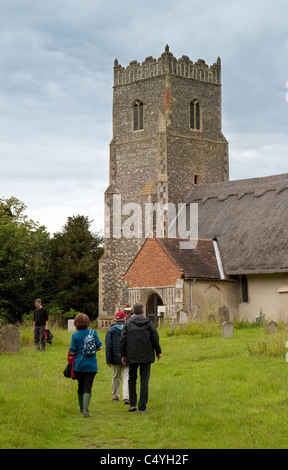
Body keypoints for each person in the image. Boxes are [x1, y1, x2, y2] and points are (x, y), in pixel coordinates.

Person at [120, 302, 162, 413]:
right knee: (144, 381)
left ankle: (133, 404)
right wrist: (158, 352)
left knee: (132, 379)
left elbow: (123, 340)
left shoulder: (128, 323)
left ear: (133, 311)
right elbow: (155, 338)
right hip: (146, 355)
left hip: (132, 355)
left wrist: (123, 355)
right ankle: (142, 407)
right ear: (143, 311)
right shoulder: (149, 323)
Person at [69, 313, 102, 417]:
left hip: (79, 365)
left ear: (76, 323)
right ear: (88, 322)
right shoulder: (93, 333)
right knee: (88, 386)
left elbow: (72, 351)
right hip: (91, 365)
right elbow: (100, 346)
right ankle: (86, 411)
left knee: (80, 386)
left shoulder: (75, 335)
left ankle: (81, 407)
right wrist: (92, 350)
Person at [105, 311, 129, 404]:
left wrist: (109, 360)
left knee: (116, 377)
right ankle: (126, 396)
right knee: (127, 376)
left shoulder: (111, 330)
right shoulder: (128, 328)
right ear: (123, 318)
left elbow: (108, 346)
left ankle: (115, 395)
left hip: (115, 357)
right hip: (127, 356)